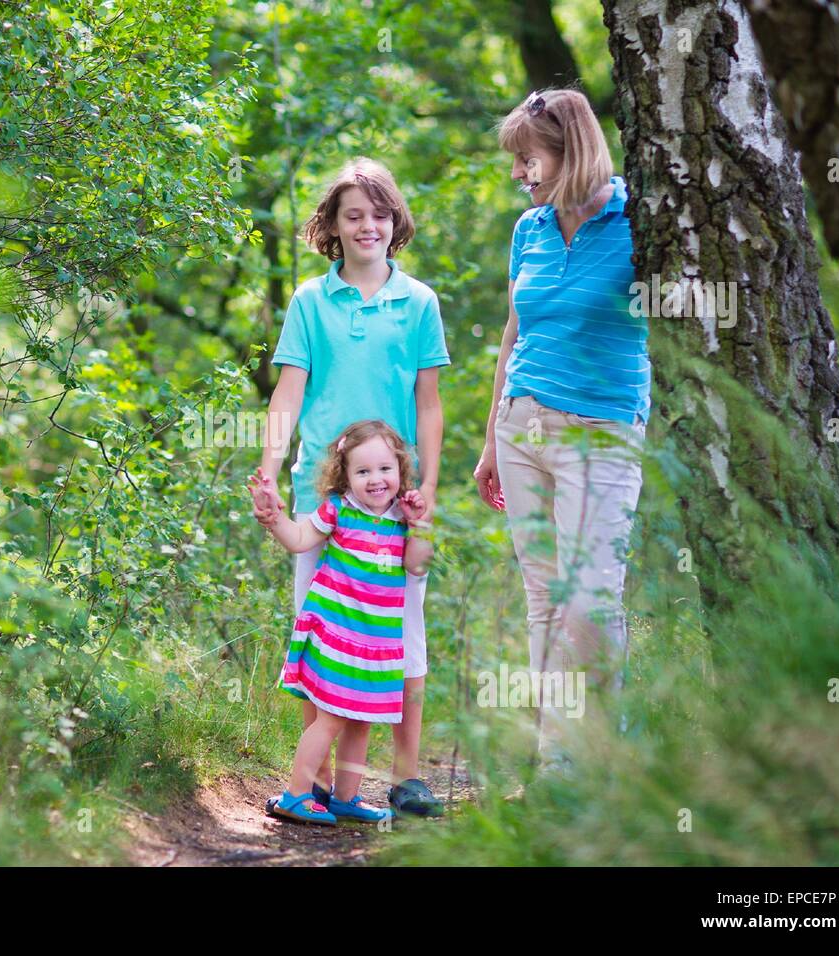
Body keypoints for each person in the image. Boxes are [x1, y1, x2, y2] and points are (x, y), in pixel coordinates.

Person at [254, 157, 450, 817]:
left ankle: (405, 778)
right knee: (324, 632)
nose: (368, 225)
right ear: (333, 228)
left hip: (393, 498)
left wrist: (429, 485)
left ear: (396, 222)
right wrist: (270, 466)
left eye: (379, 213)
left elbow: (429, 403)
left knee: (403, 636)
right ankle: (314, 783)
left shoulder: (419, 302)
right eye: (353, 215)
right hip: (323, 492)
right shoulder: (312, 301)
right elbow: (289, 390)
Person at [473, 89, 649, 769]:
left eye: (529, 159)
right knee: (544, 597)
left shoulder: (642, 219)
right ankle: (556, 767)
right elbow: (514, 334)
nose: (521, 172)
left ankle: (602, 757)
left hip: (603, 428)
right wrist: (492, 437)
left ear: (570, 149)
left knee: (591, 598)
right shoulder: (531, 229)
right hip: (523, 427)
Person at [249, 420, 433, 824]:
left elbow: (416, 564)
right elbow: (299, 540)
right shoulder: (338, 511)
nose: (375, 479)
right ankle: (295, 793)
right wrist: (273, 518)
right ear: (345, 476)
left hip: (376, 641)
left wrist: (420, 524)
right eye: (362, 471)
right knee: (330, 718)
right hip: (336, 635)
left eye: (385, 469)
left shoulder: (403, 519)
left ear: (400, 470)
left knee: (361, 720)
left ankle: (346, 798)